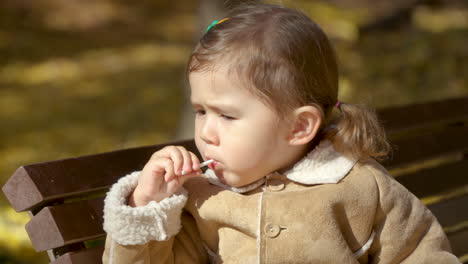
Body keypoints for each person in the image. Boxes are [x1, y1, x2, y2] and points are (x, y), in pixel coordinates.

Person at [102, 3, 460, 263]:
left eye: (227, 115)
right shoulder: (202, 198)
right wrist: (146, 207)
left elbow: (420, 253)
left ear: (299, 126)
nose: (206, 133)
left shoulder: (360, 188)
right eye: (200, 111)